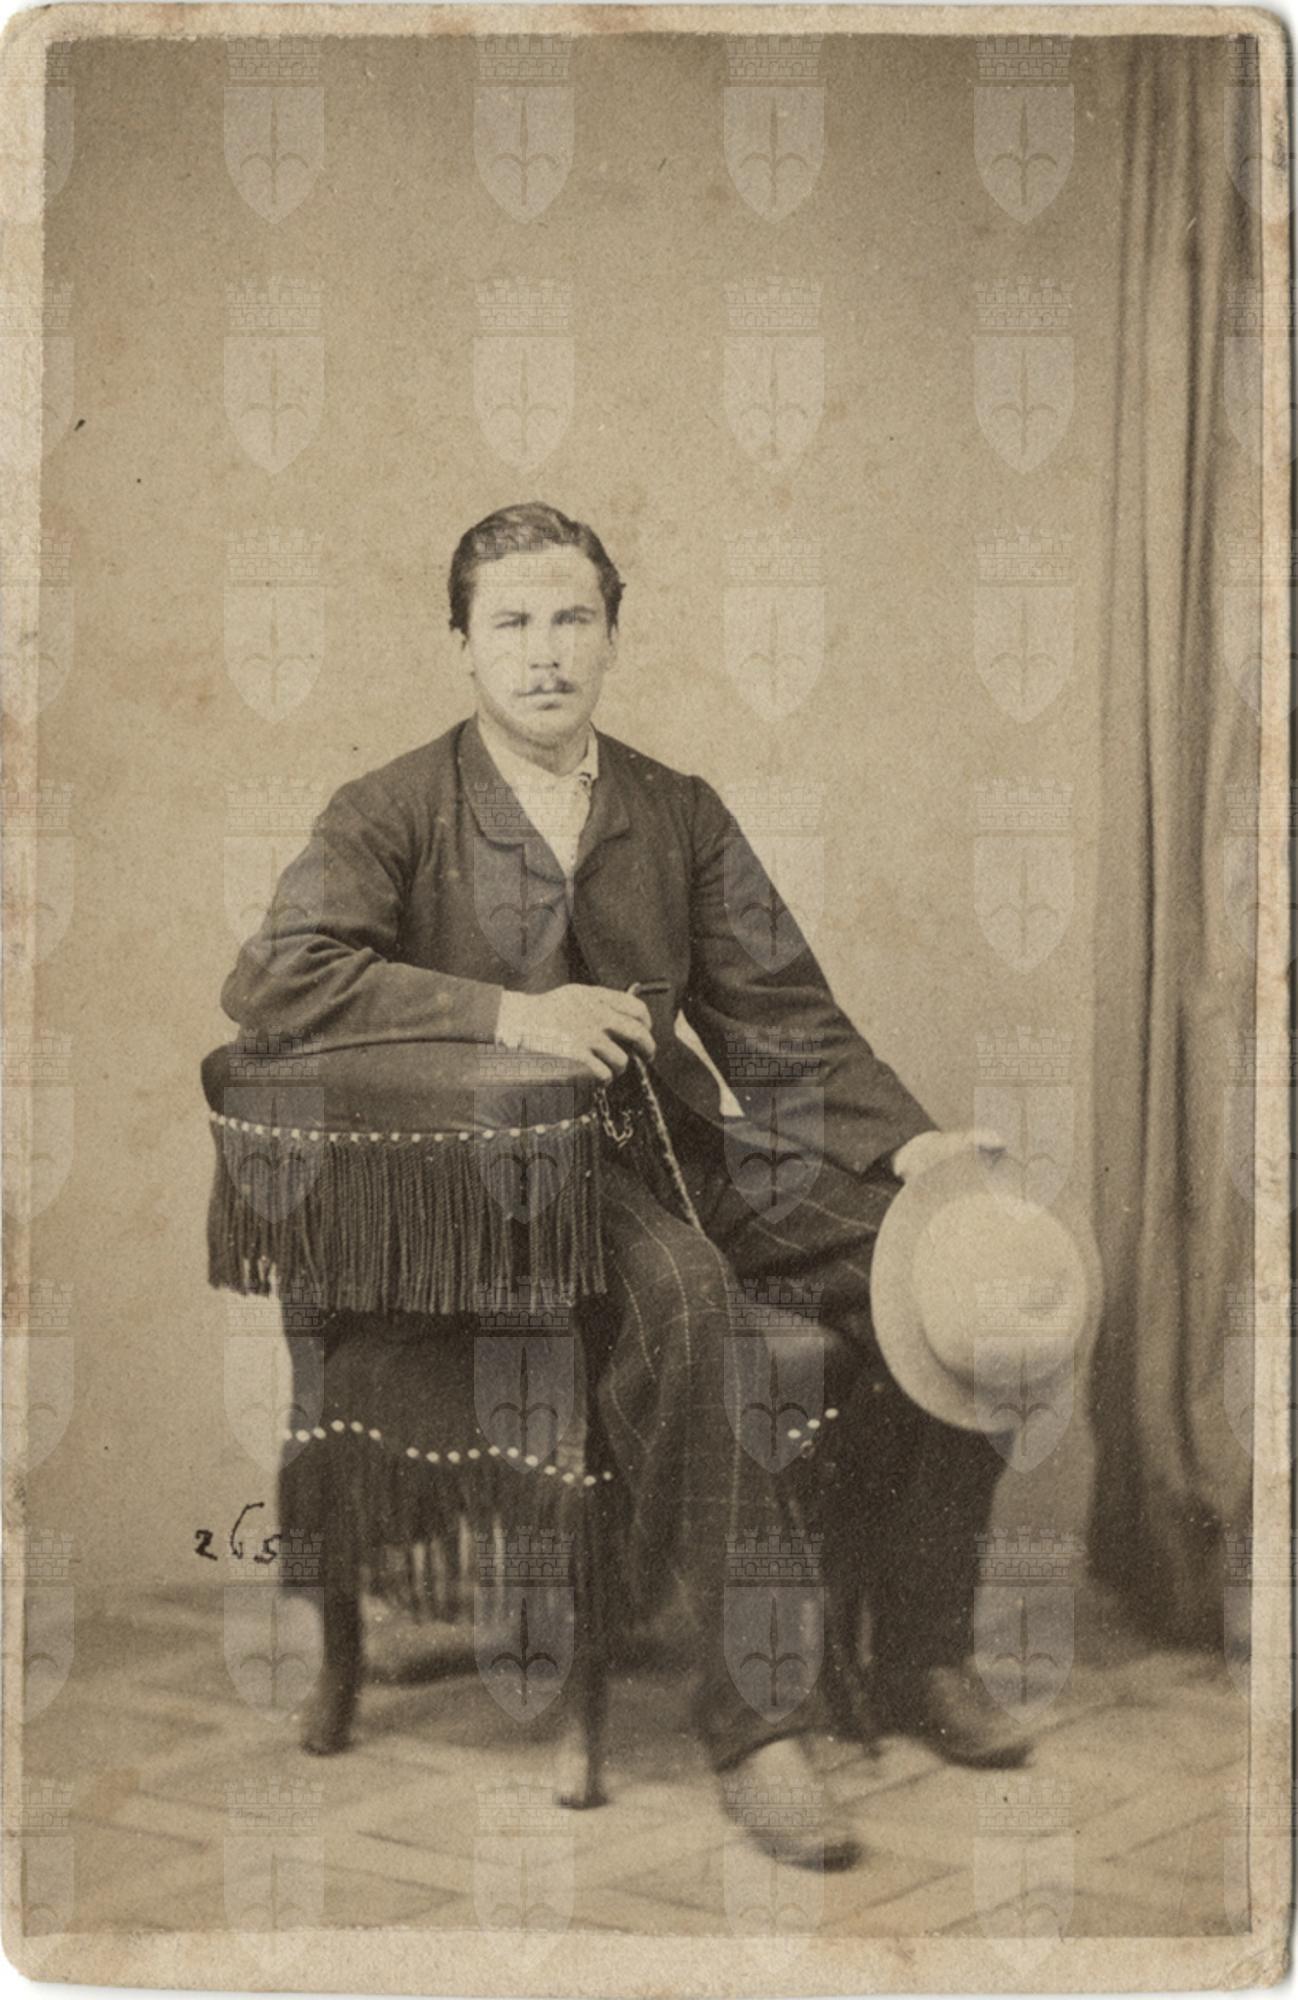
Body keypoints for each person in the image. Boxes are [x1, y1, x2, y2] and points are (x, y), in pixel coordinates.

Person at [220, 501, 1030, 1872]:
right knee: (690, 1297)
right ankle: (757, 1728)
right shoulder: (390, 809)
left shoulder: (674, 808)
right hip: (500, 1201)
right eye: (511, 623)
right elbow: (278, 981)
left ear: (611, 635)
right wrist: (504, 1016)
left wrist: (910, 1150)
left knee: (959, 1264)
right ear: (463, 645)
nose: (544, 651)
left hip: (674, 1154)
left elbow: (782, 1020)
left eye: (571, 619)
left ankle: (919, 1654)